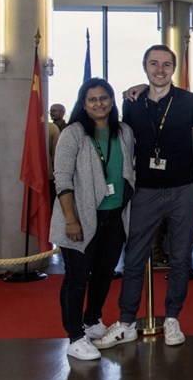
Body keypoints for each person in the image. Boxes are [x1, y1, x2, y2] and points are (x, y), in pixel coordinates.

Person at [95, 45, 193, 350]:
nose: (160, 70)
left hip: (183, 189)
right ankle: (126, 322)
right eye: (154, 64)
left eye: (166, 64)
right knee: (133, 257)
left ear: (173, 68)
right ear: (144, 67)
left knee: (180, 257)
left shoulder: (189, 101)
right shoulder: (132, 102)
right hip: (145, 190)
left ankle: (172, 317)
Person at [51, 78, 135, 360]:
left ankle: (92, 320)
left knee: (103, 274)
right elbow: (61, 179)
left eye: (104, 98)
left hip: (114, 217)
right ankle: (74, 336)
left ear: (112, 101)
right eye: (92, 99)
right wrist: (71, 220)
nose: (99, 103)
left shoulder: (123, 131)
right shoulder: (73, 133)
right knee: (77, 278)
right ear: (83, 105)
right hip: (81, 218)